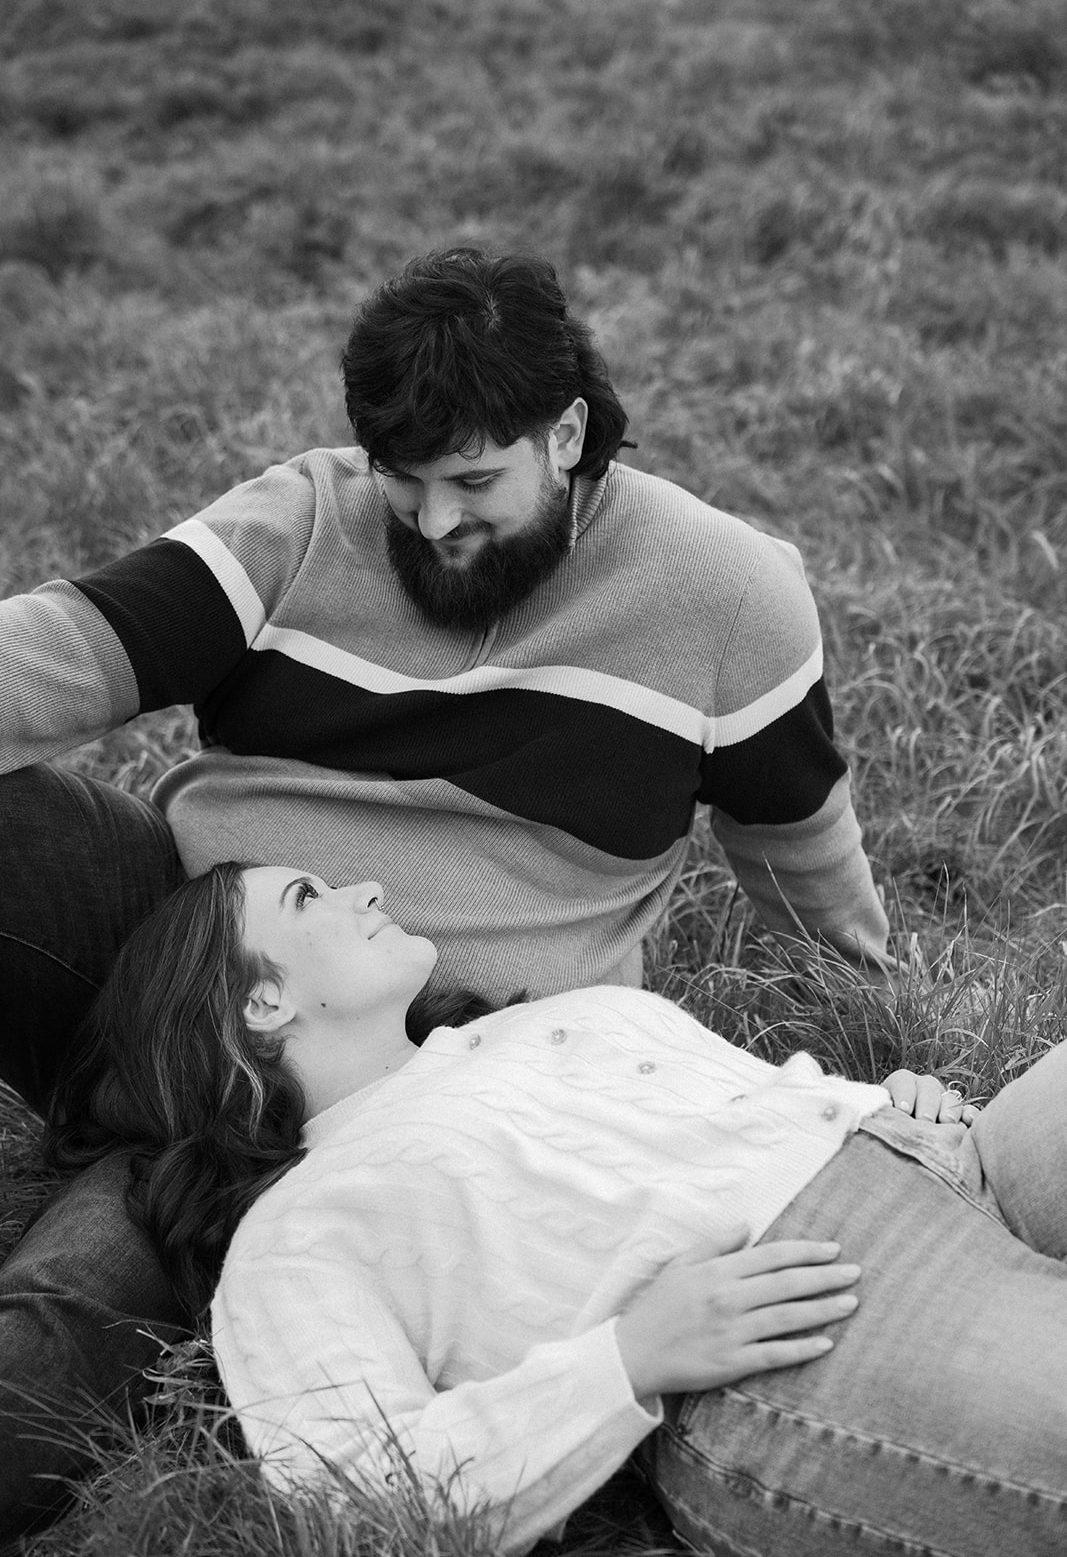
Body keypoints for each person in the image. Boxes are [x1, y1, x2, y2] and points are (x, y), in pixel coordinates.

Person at [0, 244, 895, 1536]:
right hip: (195, 939)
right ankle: (137, 1102)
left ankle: (148, 1182)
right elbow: (58, 651)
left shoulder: (722, 594)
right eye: (400, 482)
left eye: (473, 480)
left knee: (55, 1336)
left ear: (567, 433)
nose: (430, 523)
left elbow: (799, 842)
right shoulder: (305, 519)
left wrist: (878, 1019)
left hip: (413, 1071)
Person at [47, 864, 1067, 1557]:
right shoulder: (298, 1228)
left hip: (949, 1164)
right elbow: (358, 1490)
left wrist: (868, 1104)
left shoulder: (535, 1024)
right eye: (309, 895)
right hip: (808, 1331)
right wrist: (622, 1361)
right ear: (259, 1003)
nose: (362, 887)